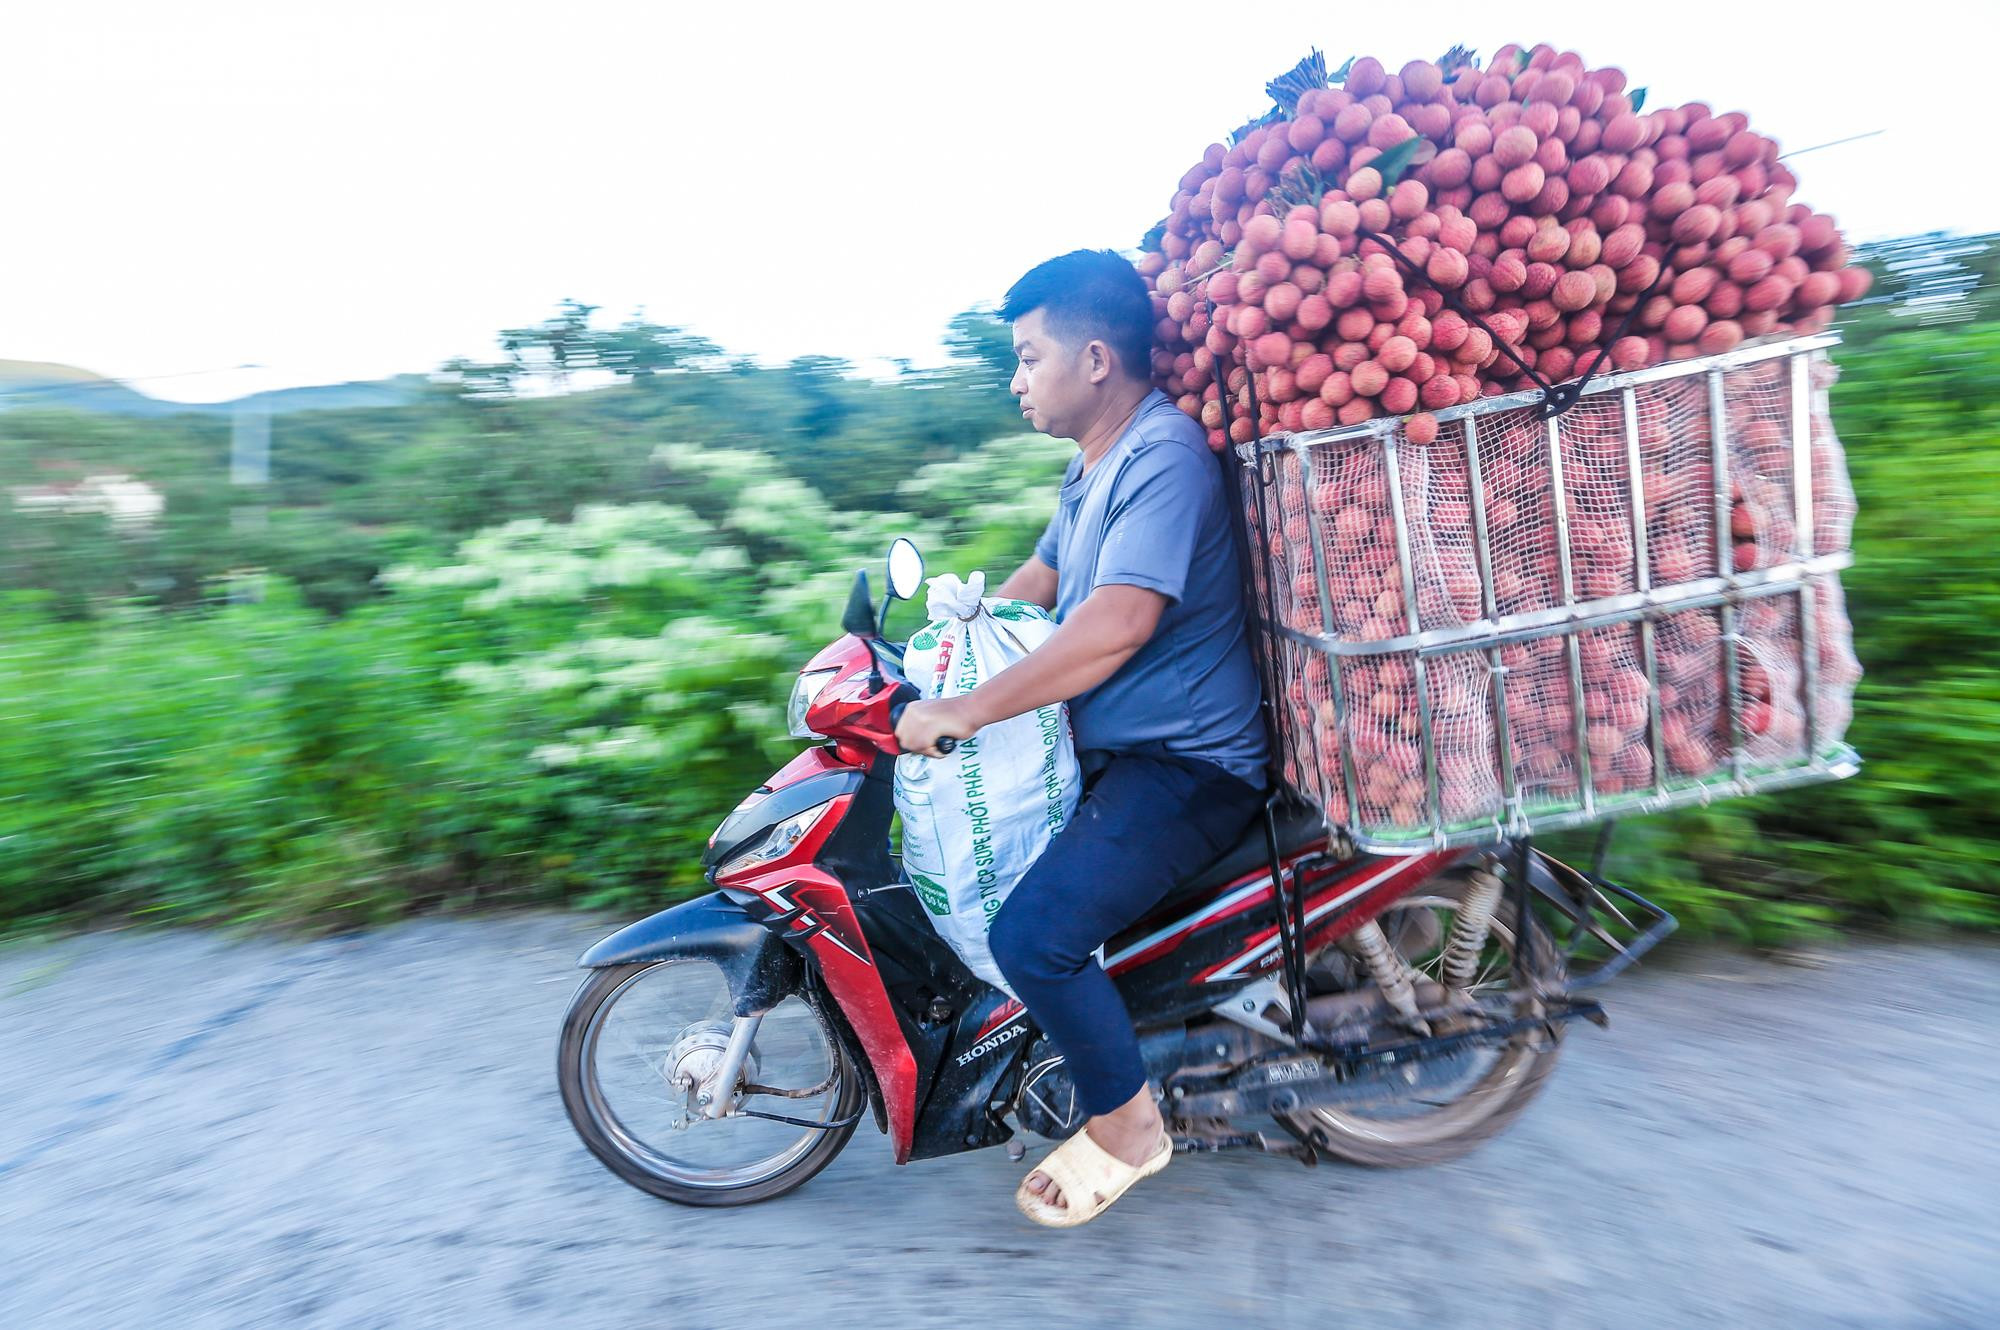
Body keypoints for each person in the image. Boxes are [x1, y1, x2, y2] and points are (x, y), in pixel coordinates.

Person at [894, 249, 1268, 1227]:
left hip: (1185, 765)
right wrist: (933, 653)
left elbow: (1116, 622)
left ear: (1094, 358)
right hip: (1118, 746)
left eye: (1026, 357)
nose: (1015, 380)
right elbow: (1043, 582)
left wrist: (968, 712)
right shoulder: (1092, 462)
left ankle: (1129, 1127)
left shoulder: (1163, 456)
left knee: (1034, 933)